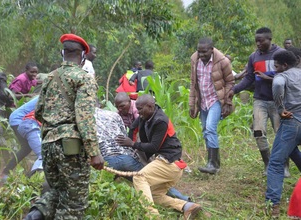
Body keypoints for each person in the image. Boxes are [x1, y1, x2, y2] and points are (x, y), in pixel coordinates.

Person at [24, 33, 104, 220]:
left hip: (49, 145)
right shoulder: (84, 78)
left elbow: (39, 112)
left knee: (56, 192)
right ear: (82, 56)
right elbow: (84, 118)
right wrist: (94, 152)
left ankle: (34, 216)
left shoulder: (50, 77)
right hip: (71, 148)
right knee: (73, 205)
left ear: (63, 53)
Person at [116, 94, 202, 219]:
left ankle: (152, 216)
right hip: (171, 166)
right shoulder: (145, 116)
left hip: (169, 162)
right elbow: (134, 127)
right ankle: (187, 206)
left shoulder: (160, 120)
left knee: (139, 177)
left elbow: (154, 147)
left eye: (140, 109)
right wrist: (129, 140)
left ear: (150, 106)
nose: (138, 112)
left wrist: (133, 144)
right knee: (154, 195)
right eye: (137, 109)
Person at [227, 27, 287, 176]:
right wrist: (234, 90)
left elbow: (288, 77)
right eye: (256, 41)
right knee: (258, 131)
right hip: (260, 100)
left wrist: (268, 78)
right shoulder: (253, 57)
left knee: (281, 134)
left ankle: (284, 165)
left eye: (261, 41)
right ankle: (267, 164)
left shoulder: (280, 54)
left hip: (278, 101)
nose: (258, 44)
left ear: (270, 39)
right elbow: (249, 78)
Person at [95, 107, 190, 201]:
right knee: (152, 180)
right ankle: (183, 199)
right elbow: (125, 135)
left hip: (107, 159)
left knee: (101, 187)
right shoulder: (114, 115)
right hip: (127, 158)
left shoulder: (85, 119)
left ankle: (110, 205)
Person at [189, 37, 234, 174]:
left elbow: (230, 82)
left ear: (211, 49)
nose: (201, 55)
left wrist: (227, 102)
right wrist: (192, 104)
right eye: (199, 52)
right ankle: (214, 163)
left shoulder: (222, 61)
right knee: (205, 130)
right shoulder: (194, 59)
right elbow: (193, 83)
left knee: (210, 128)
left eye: (204, 52)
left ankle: (213, 163)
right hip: (203, 101)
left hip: (216, 100)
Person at [265, 50, 301, 217]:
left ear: (285, 65)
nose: (275, 69)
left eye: (277, 66)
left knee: (276, 163)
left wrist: (280, 109)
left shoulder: (283, 76)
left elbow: (278, 84)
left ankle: (273, 205)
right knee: (290, 148)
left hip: (292, 122)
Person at [0, 96, 41, 181]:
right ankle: (31, 179)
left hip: (21, 118)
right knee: (34, 150)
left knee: (26, 148)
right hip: (21, 119)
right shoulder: (49, 93)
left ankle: (6, 172)